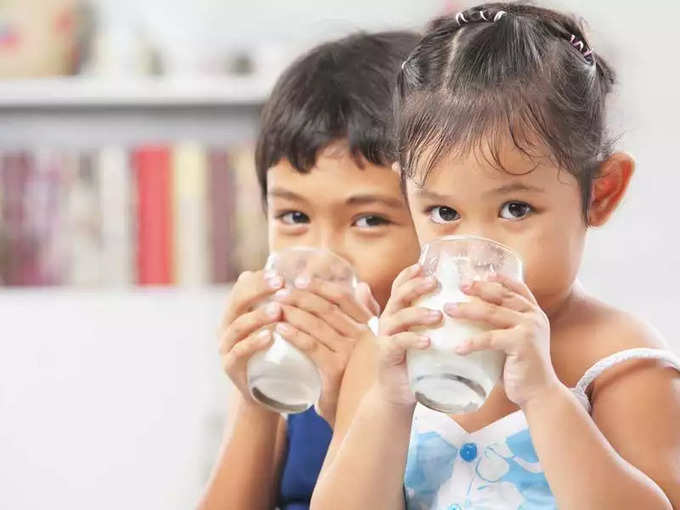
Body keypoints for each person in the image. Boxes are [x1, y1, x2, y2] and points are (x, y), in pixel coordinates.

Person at [311, 4, 680, 509]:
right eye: (442, 211)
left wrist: (546, 397)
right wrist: (389, 402)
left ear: (600, 193)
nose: (478, 248)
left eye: (515, 207)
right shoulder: (384, 351)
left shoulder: (619, 358)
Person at [196, 30, 421, 510]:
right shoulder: (284, 366)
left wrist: (361, 399)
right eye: (294, 217)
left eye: (369, 220)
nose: (323, 257)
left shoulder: (454, 375)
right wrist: (255, 405)